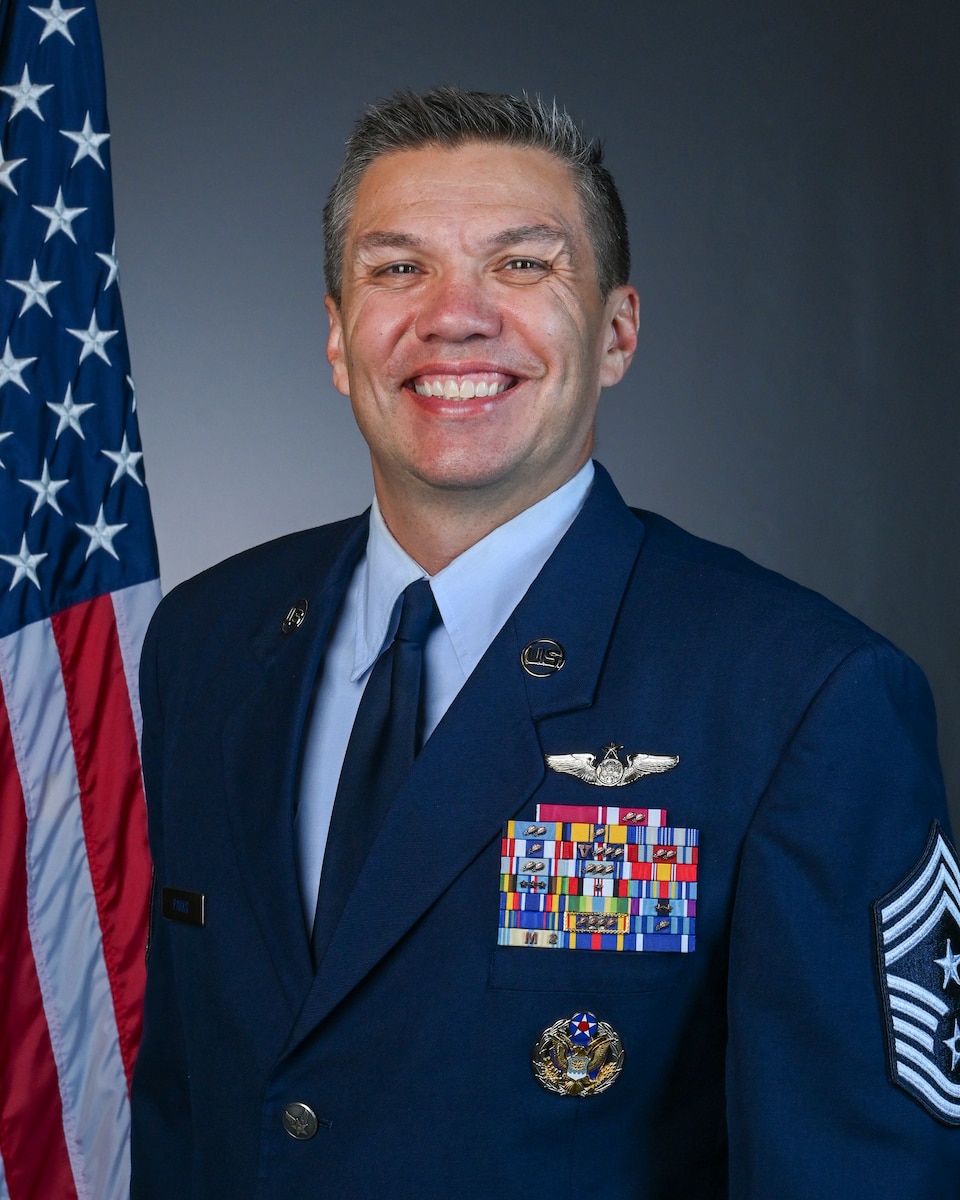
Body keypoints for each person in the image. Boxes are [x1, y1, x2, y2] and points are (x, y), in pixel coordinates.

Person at [130, 88, 959, 1198]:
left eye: (522, 265)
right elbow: (187, 1110)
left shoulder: (803, 694)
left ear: (616, 332)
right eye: (395, 269)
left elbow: (858, 1174)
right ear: (337, 337)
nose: (454, 316)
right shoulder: (208, 643)